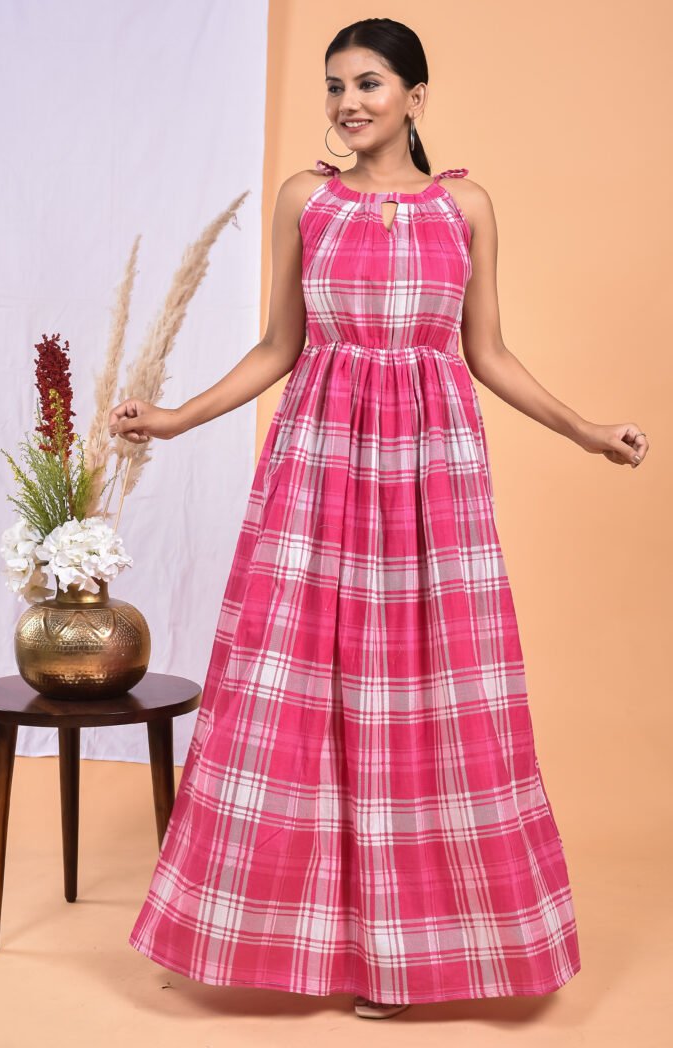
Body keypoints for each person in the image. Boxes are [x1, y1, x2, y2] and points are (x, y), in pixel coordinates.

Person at [108, 17, 648, 1022]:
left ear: (415, 96)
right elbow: (278, 344)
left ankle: (411, 959)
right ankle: (284, 940)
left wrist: (583, 428)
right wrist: (177, 418)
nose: (347, 102)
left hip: (431, 480)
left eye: (367, 83)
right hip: (316, 474)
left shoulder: (467, 208)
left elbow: (486, 353)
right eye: (333, 86)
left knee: (425, 705)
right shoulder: (303, 201)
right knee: (296, 693)